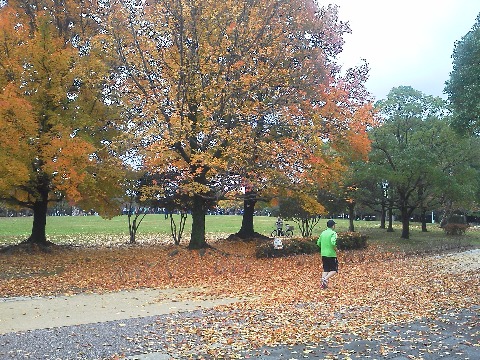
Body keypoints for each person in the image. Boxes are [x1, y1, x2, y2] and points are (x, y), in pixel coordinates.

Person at [316, 219, 338, 289]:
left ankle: (323, 284)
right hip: (331, 254)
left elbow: (318, 243)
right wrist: (335, 249)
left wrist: (323, 247)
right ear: (333, 226)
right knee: (334, 270)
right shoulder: (333, 233)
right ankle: (325, 279)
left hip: (323, 254)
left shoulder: (323, 233)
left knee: (326, 269)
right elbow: (333, 242)